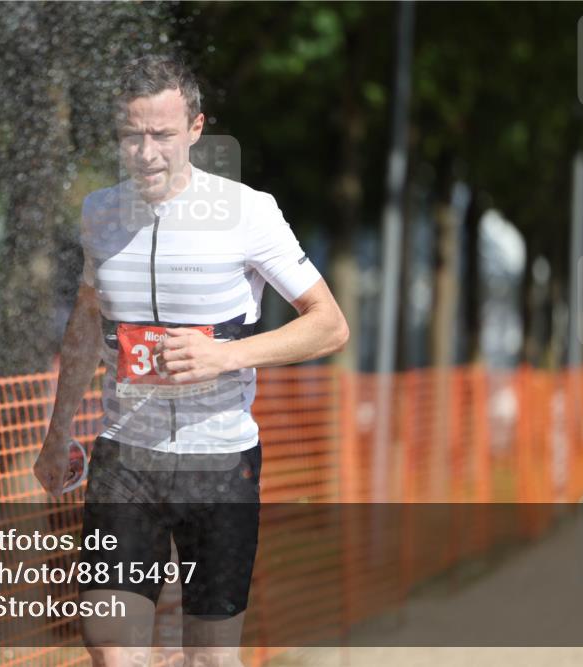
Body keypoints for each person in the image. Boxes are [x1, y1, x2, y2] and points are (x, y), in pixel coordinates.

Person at [34, 55, 349, 667]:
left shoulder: (248, 211)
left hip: (221, 464)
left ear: (197, 130)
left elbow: (329, 326)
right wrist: (57, 431)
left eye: (162, 135)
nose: (146, 152)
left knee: (210, 658)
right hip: (125, 458)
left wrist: (223, 355)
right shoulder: (100, 212)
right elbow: (85, 324)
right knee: (109, 646)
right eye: (132, 135)